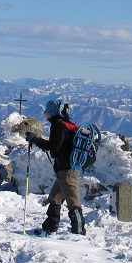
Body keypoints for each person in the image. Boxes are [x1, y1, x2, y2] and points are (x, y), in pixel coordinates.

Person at [26, 99, 86, 236]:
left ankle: (79, 231)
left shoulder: (59, 126)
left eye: (47, 110)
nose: (44, 112)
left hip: (66, 170)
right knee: (55, 197)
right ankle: (49, 228)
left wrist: (35, 139)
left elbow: (53, 147)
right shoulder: (67, 124)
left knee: (73, 200)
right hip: (67, 168)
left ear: (53, 112)